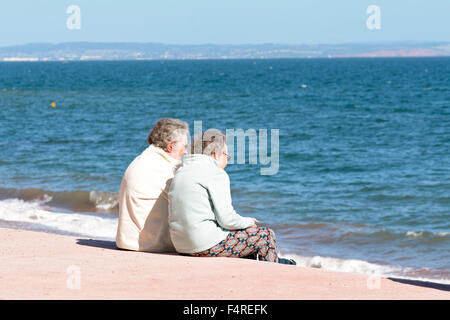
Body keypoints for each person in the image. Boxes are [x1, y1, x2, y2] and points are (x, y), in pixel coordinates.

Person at [168, 129, 295, 264]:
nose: (227, 161)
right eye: (226, 156)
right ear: (215, 154)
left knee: (244, 237)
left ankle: (270, 264)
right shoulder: (215, 173)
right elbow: (227, 220)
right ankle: (271, 273)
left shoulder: (180, 172)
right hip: (203, 244)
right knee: (266, 236)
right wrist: (249, 222)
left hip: (181, 245)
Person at [116, 118, 189, 252]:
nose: (185, 151)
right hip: (152, 245)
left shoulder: (142, 159)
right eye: (184, 146)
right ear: (171, 146)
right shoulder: (168, 167)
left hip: (126, 241)